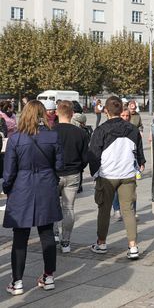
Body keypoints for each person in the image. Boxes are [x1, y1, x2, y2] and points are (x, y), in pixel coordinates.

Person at [3, 100, 63, 295]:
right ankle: (49, 276)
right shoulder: (53, 136)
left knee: (20, 236)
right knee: (47, 233)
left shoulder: (16, 139)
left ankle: (17, 281)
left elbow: (9, 170)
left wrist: (7, 188)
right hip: (45, 185)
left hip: (22, 186)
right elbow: (59, 166)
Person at [88, 96, 145, 259]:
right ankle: (133, 246)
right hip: (127, 174)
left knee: (104, 210)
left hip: (107, 175)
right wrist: (141, 163)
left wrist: (95, 172)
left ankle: (101, 243)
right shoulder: (132, 129)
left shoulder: (101, 130)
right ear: (121, 111)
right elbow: (139, 151)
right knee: (128, 210)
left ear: (106, 110)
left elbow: (93, 154)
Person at [53, 101, 90, 254]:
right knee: (68, 208)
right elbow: (85, 157)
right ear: (72, 114)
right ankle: (66, 241)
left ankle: (54, 234)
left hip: (54, 174)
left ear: (57, 113)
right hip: (73, 173)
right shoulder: (81, 133)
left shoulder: (50, 131)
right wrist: (78, 168)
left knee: (52, 206)